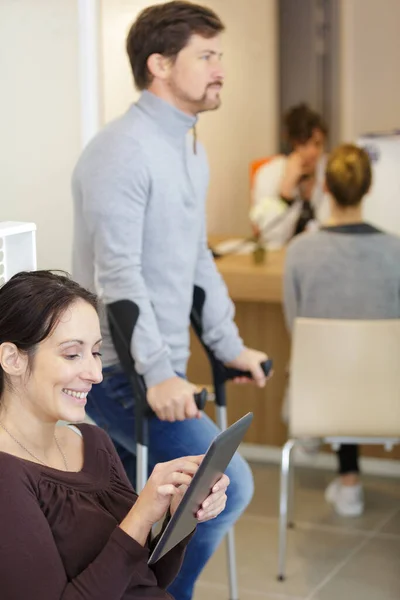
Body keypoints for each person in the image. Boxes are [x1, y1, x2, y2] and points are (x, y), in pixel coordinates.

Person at [71, 2, 269, 598]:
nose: (220, 69)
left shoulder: (187, 148)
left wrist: (229, 345)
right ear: (160, 64)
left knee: (206, 493)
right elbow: (119, 278)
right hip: (115, 371)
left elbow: (196, 260)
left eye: (220, 55)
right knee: (226, 482)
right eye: (206, 56)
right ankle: (159, 592)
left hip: (161, 369)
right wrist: (156, 375)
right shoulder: (122, 150)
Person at [0, 270, 229, 599]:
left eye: (95, 352)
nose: (95, 373)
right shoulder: (7, 476)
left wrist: (181, 514)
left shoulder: (93, 443)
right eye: (71, 354)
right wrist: (141, 515)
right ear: (12, 358)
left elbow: (148, 578)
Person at [283, 143, 400, 516]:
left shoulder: (300, 251)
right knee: (367, 363)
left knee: (332, 364)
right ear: (368, 189)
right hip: (388, 402)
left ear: (326, 188)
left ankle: (341, 473)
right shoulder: (396, 252)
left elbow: (295, 329)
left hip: (319, 400)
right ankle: (347, 481)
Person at [250, 103, 330, 248]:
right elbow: (269, 237)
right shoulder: (267, 174)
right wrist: (286, 192)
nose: (312, 152)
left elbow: (331, 229)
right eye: (305, 144)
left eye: (318, 144)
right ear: (292, 144)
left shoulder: (329, 172)